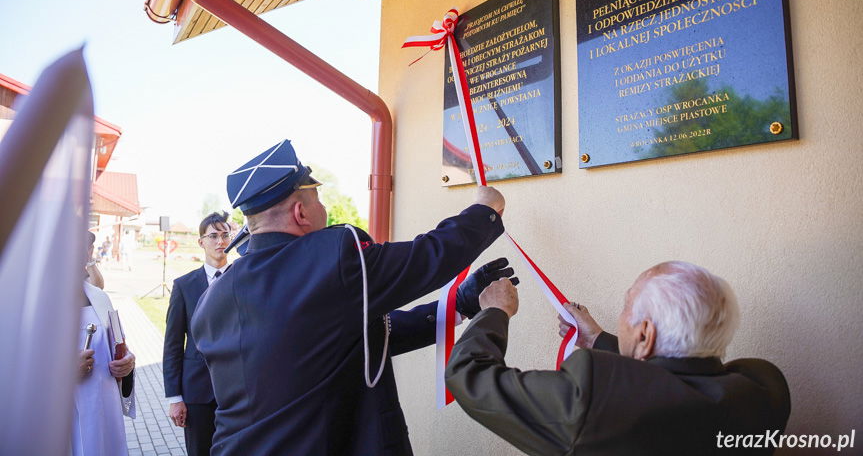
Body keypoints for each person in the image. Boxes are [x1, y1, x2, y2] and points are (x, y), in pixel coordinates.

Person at [191, 139, 511, 455]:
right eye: (319, 199)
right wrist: (485, 209)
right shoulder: (330, 259)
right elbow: (426, 257)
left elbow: (350, 339)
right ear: (301, 212)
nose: (325, 209)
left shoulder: (211, 300)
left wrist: (460, 304)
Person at [446, 261, 792, 456]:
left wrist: (493, 312)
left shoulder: (593, 402)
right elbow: (669, 384)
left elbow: (469, 377)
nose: (621, 315)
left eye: (627, 306)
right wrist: (596, 338)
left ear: (644, 335)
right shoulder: (762, 390)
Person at [163, 212, 232, 456]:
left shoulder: (244, 278)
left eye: (225, 235)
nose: (220, 241)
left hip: (238, 391)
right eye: (213, 236)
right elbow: (173, 344)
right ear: (201, 242)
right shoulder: (184, 285)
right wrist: (175, 397)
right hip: (197, 392)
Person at [72, 232, 136, 456]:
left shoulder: (99, 297)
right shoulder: (31, 301)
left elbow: (120, 348)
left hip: (103, 413)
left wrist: (127, 364)